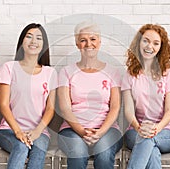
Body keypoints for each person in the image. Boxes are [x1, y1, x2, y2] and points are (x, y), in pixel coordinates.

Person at [57, 20, 123, 169]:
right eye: (83, 40)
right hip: (71, 130)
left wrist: (100, 133)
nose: (88, 44)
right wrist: (82, 131)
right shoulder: (66, 71)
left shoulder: (113, 72)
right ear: (77, 44)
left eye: (93, 39)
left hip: (108, 130)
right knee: (78, 153)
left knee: (104, 153)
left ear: (99, 42)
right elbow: (65, 109)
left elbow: (115, 107)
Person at [0, 23, 57, 169]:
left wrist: (37, 131)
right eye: (29, 37)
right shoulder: (9, 68)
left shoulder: (50, 73)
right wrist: (18, 131)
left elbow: (50, 109)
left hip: (39, 131)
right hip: (9, 130)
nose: (33, 41)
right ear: (22, 41)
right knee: (21, 146)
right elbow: (3, 105)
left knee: (39, 150)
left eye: (38, 38)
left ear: (44, 44)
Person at [122, 24, 170, 169]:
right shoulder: (129, 74)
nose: (150, 46)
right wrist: (139, 128)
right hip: (136, 130)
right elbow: (129, 111)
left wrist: (156, 128)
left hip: (167, 131)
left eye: (156, 43)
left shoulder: (168, 73)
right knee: (150, 148)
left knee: (149, 140)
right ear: (138, 43)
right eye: (146, 41)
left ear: (161, 47)